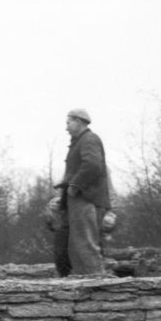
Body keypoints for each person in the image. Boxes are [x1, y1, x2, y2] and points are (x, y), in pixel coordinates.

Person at [54, 108, 111, 277]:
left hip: (86, 198)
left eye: (68, 123)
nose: (66, 127)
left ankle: (96, 281)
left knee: (85, 242)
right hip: (79, 198)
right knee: (77, 243)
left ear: (78, 122)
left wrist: (74, 185)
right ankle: (84, 279)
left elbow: (93, 165)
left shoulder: (89, 139)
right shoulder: (80, 141)